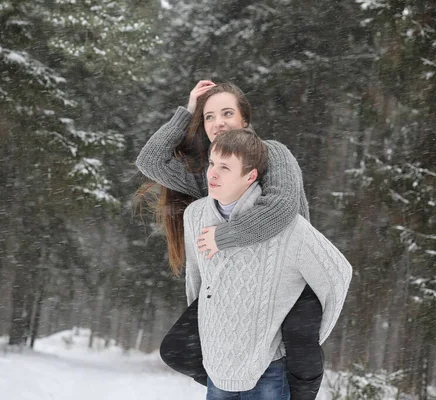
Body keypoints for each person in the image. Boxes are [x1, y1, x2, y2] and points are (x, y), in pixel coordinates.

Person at [135, 81, 323, 399]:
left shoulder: (273, 154)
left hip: (288, 280)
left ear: (244, 120)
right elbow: (151, 161)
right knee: (178, 348)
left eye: (227, 113)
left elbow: (280, 207)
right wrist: (188, 110)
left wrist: (224, 236)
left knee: (298, 342)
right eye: (209, 117)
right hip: (239, 290)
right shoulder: (212, 174)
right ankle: (232, 377)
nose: (218, 122)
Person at [183, 129, 352, 399]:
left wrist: (307, 339)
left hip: (269, 370)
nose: (212, 173)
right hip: (217, 365)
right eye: (212, 163)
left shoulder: (290, 229)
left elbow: (339, 275)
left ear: (250, 176)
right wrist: (205, 332)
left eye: (225, 167)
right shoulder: (194, 216)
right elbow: (195, 282)